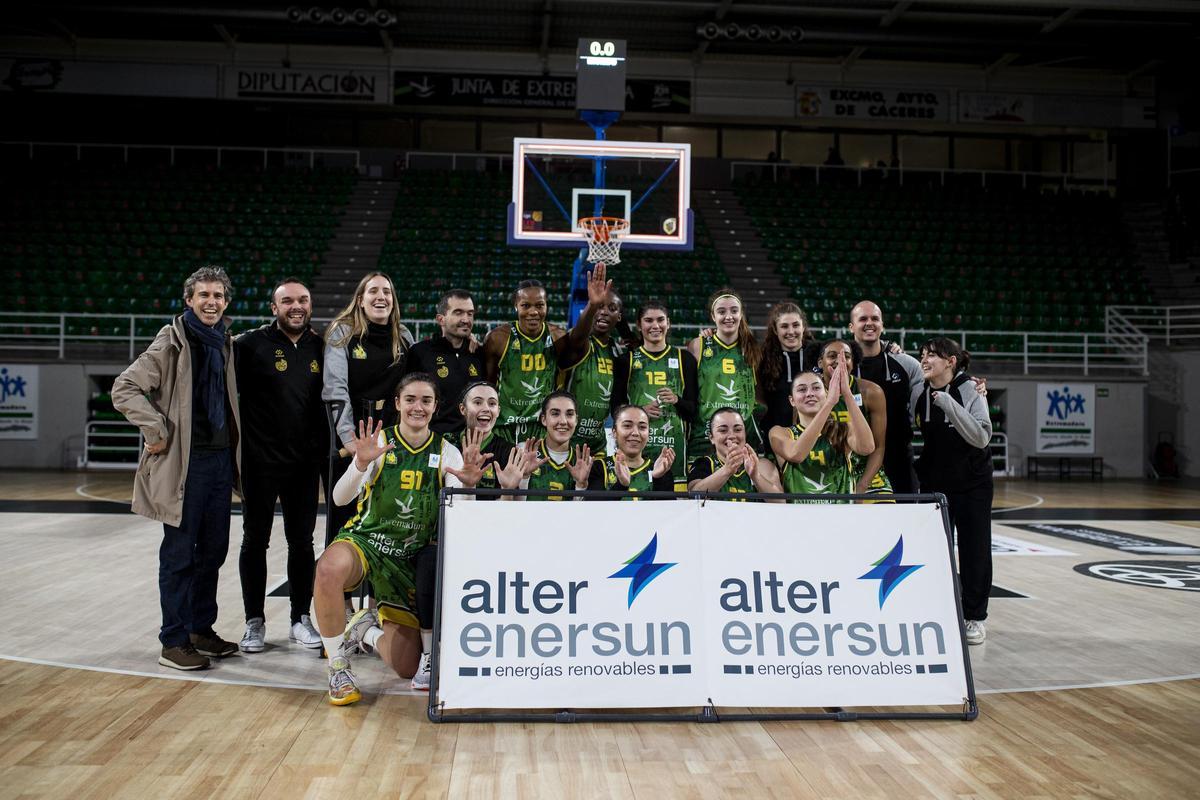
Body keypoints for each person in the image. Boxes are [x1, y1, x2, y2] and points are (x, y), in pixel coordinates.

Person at [315, 373, 489, 705]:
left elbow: (461, 519)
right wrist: (359, 464)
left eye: (426, 400)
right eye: (410, 399)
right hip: (367, 543)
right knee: (328, 569)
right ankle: (338, 667)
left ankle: (363, 627)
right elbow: (338, 499)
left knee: (408, 666)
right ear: (397, 403)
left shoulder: (448, 453)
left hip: (408, 560)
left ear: (436, 407)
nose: (417, 407)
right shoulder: (378, 444)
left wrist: (468, 488)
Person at [112, 266, 242, 670]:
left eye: (218, 296)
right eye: (203, 295)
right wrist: (156, 427)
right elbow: (125, 388)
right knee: (180, 554)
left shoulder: (225, 341)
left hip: (220, 461)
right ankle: (173, 639)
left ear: (226, 301)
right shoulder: (171, 341)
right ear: (189, 300)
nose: (211, 302)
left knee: (214, 552)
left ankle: (201, 630)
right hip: (187, 465)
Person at [234, 276, 326, 653]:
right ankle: (254, 622)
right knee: (254, 541)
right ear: (274, 308)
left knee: (301, 543)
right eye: (287, 301)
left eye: (303, 300)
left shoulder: (323, 347)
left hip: (304, 464)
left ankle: (300, 619)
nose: (296, 306)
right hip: (259, 462)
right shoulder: (248, 345)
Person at [913, 337, 994, 646]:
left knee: (975, 551)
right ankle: (944, 610)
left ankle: (975, 617)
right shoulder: (920, 391)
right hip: (937, 485)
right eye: (922, 354)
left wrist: (947, 401)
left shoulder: (971, 390)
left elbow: (981, 437)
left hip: (973, 484)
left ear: (951, 361)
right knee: (936, 551)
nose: (924, 359)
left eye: (932, 355)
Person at [322, 271, 414, 542]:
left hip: (391, 434)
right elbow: (335, 389)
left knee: (386, 515)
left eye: (387, 292)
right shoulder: (343, 332)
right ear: (360, 299)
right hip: (354, 432)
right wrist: (349, 439)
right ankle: (341, 583)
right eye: (374, 291)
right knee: (345, 518)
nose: (381, 297)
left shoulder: (404, 336)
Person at [483, 264, 610, 444]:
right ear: (515, 306)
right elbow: (487, 386)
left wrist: (593, 305)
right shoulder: (498, 338)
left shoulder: (556, 336)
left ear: (546, 306)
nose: (533, 312)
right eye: (525, 305)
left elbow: (579, 339)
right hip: (504, 427)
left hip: (543, 429)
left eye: (539, 305)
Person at [612, 300, 698, 491]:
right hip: (635, 455)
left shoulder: (685, 360)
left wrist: (677, 400)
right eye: (648, 320)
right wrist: (640, 411)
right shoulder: (627, 361)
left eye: (660, 320)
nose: (655, 325)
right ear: (639, 326)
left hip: (674, 457)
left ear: (669, 323)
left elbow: (693, 411)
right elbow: (615, 408)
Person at [848, 300, 924, 495]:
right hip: (852, 458)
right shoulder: (840, 365)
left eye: (875, 318)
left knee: (905, 519)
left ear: (882, 325)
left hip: (898, 457)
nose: (869, 323)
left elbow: (934, 386)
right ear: (851, 327)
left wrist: (969, 382)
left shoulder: (906, 364)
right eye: (862, 319)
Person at [769, 367, 873, 502]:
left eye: (816, 388)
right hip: (800, 518)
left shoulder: (843, 429)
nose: (810, 393)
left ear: (826, 394)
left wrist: (847, 394)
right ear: (792, 400)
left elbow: (867, 448)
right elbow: (796, 454)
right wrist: (829, 404)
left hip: (840, 516)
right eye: (802, 389)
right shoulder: (779, 432)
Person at [687, 288, 763, 463]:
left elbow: (759, 397)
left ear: (741, 314)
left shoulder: (752, 349)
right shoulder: (698, 346)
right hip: (705, 435)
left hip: (743, 435)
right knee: (704, 487)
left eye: (734, 311)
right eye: (721, 311)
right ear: (713, 316)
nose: (729, 316)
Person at [818, 339, 892, 498]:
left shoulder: (871, 392)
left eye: (847, 356)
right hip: (825, 472)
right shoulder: (809, 393)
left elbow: (879, 448)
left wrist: (862, 485)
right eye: (832, 356)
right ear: (820, 362)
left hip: (865, 472)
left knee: (883, 519)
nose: (840, 361)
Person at [403, 289, 483, 435]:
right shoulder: (420, 352)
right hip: (432, 441)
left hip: (472, 442)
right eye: (458, 312)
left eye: (470, 313)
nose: (466, 319)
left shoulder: (479, 353)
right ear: (441, 319)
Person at [559, 288, 624, 454]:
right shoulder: (578, 343)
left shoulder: (618, 351)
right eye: (599, 307)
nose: (604, 312)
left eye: (612, 308)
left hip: (598, 442)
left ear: (619, 316)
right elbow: (577, 337)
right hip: (566, 440)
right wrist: (592, 304)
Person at [687, 407, 784, 501]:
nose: (732, 436)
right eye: (723, 430)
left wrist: (756, 476)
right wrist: (727, 470)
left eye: (738, 430)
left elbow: (780, 503)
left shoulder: (762, 464)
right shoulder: (704, 463)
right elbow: (694, 496)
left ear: (745, 434)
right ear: (711, 438)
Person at [588, 405, 677, 496]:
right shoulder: (599, 467)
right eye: (627, 426)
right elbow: (594, 508)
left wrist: (658, 479)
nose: (635, 433)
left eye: (642, 427)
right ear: (614, 433)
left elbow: (665, 509)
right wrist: (621, 485)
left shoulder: (661, 470)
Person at [758, 301, 817, 434]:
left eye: (796, 325)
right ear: (775, 329)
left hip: (816, 438)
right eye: (784, 326)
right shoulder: (762, 359)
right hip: (775, 439)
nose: (791, 332)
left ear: (803, 327)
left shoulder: (818, 354)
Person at [525, 391, 594, 500]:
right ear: (543, 419)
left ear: (576, 420)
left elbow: (582, 515)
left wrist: (581, 486)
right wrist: (524, 477)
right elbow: (513, 508)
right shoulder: (525, 454)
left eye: (570, 414)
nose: (563, 421)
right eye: (555, 414)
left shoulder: (585, 463)